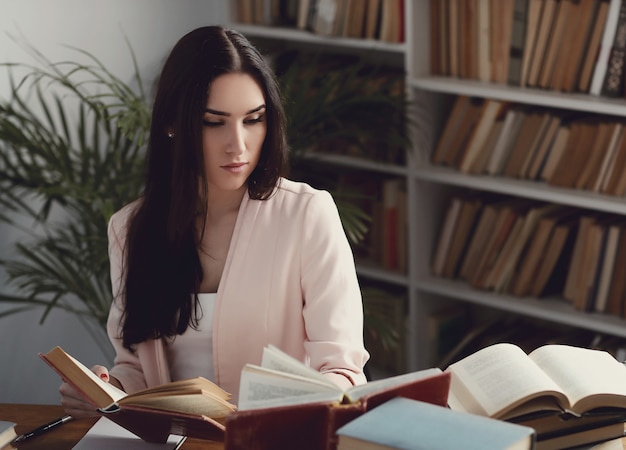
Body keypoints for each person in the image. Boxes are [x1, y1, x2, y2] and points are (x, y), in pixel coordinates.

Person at [60, 25, 369, 417]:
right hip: (174, 441)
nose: (237, 144)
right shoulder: (130, 229)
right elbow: (134, 367)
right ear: (173, 123)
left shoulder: (307, 215)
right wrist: (105, 390)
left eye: (253, 119)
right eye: (214, 121)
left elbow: (342, 369)